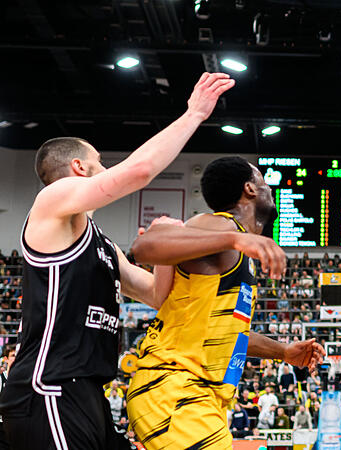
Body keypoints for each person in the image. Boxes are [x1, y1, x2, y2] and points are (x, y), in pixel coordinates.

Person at [0, 72, 236, 450]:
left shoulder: (104, 247)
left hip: (89, 391)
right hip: (49, 387)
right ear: (78, 168)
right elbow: (139, 171)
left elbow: (159, 297)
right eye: (100, 162)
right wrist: (193, 114)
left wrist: (166, 250)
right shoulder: (51, 202)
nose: (107, 168)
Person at [126, 156, 325, 449]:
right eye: (263, 181)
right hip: (174, 388)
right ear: (250, 189)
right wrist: (232, 240)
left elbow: (231, 334)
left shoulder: (235, 242)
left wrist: (282, 351)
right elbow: (143, 248)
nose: (269, 188)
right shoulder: (219, 226)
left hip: (199, 396)